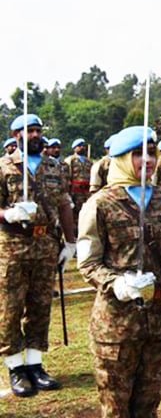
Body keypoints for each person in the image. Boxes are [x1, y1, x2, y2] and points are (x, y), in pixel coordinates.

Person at [77, 126, 161, 417]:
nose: (148, 160)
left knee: (149, 403)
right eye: (138, 154)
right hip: (117, 324)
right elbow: (88, 263)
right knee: (117, 406)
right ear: (121, 158)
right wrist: (116, 282)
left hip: (160, 320)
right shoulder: (100, 203)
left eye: (151, 153)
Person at [0, 114, 77, 397]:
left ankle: (35, 364)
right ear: (16, 134)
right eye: (28, 131)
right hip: (13, 246)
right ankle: (15, 367)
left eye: (38, 130)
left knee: (40, 306)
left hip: (46, 245)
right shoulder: (4, 167)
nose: (35, 135)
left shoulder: (54, 167)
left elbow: (65, 204)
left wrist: (70, 243)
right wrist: (7, 213)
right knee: (10, 308)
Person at [63, 138, 93, 223]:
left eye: (83, 146)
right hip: (75, 191)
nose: (82, 147)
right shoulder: (70, 160)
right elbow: (67, 176)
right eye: (79, 146)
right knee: (75, 212)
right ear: (75, 148)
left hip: (87, 191)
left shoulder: (88, 161)